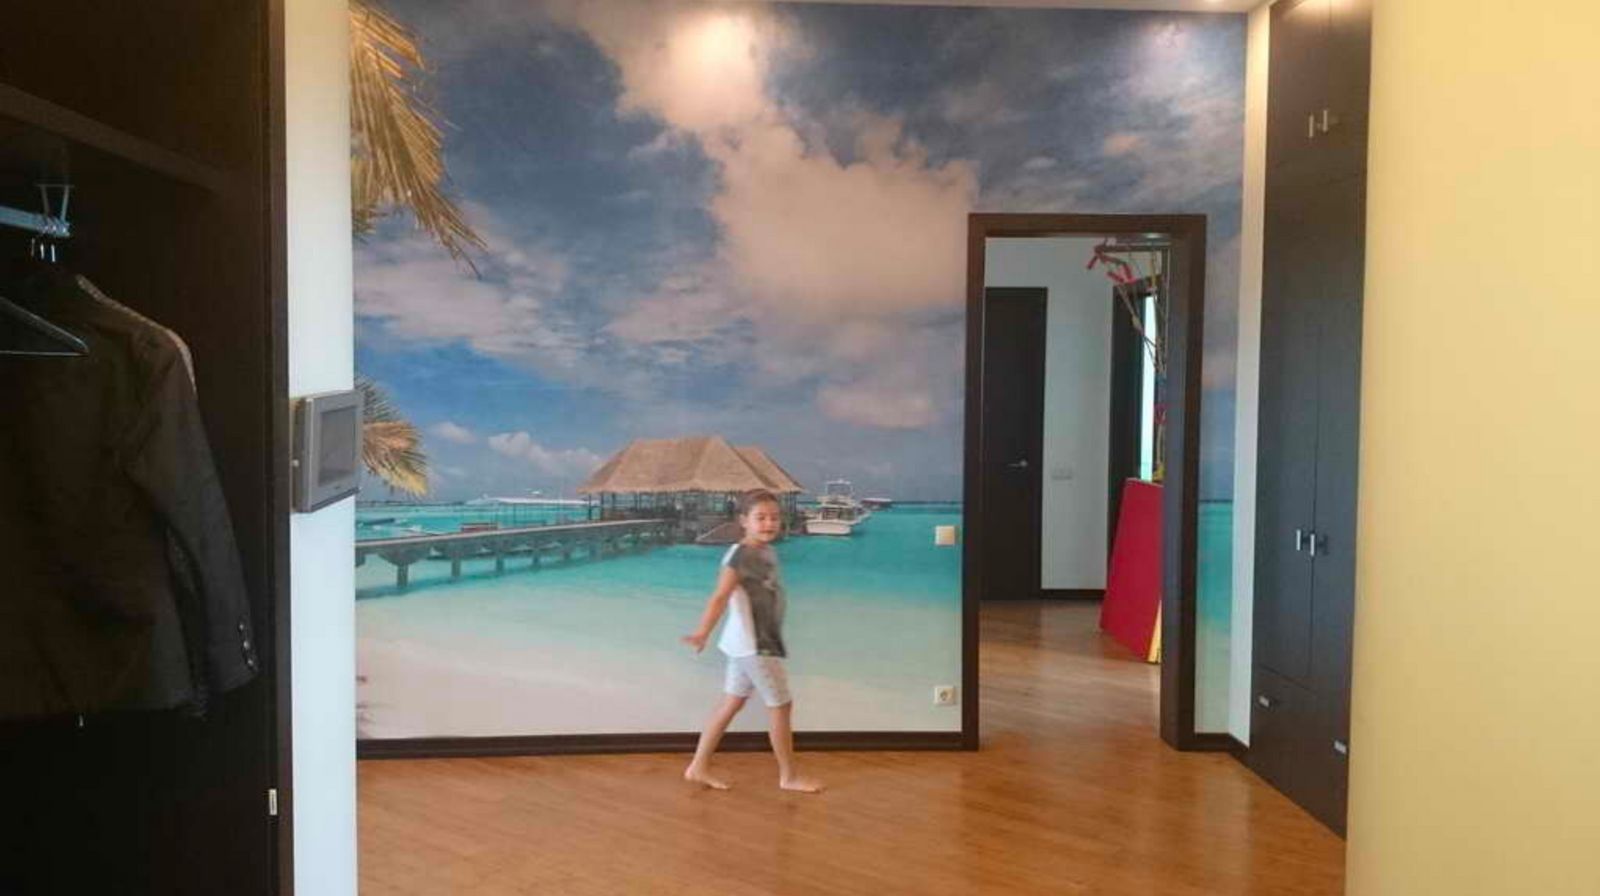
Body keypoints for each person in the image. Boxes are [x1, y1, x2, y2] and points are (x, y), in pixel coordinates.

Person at [681, 489, 823, 793]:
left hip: (747, 644)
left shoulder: (765, 550)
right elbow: (720, 597)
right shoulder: (739, 555)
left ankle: (697, 767)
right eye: (760, 518)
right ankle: (788, 776)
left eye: (774, 517)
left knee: (731, 703)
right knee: (782, 706)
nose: (768, 523)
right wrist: (702, 632)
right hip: (755, 646)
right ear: (744, 520)